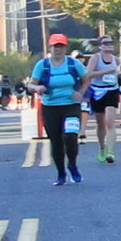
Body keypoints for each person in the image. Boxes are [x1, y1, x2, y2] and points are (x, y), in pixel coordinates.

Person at [30, 35, 88, 184]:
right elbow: (31, 84)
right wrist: (37, 88)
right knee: (56, 141)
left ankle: (72, 165)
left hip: (71, 105)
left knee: (70, 137)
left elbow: (86, 79)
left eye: (61, 46)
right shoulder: (42, 65)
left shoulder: (74, 64)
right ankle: (61, 173)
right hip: (50, 107)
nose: (58, 49)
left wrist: (81, 92)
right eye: (55, 46)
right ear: (50, 48)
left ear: (65, 48)